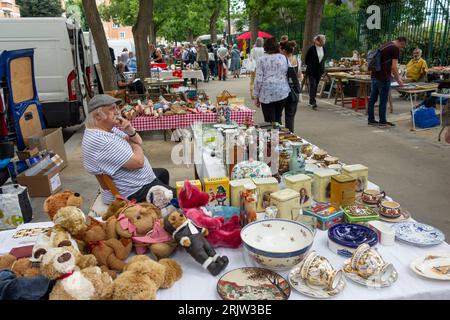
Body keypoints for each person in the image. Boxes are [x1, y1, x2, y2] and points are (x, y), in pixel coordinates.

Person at [81, 94, 175, 204]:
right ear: (98, 116)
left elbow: (138, 141)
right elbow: (138, 162)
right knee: (186, 198)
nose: (117, 112)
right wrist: (136, 146)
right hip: (133, 191)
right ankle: (165, 204)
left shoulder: (106, 130)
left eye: (116, 108)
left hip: (136, 181)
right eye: (112, 109)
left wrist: (129, 129)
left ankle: (162, 205)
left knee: (163, 173)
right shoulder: (100, 140)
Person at [367, 36, 406, 127]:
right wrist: (398, 79)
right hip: (383, 78)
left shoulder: (386, 44)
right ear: (401, 42)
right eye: (402, 46)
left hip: (375, 75)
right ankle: (382, 121)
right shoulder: (395, 49)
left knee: (372, 99)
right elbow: (393, 67)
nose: (401, 48)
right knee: (383, 100)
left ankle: (371, 119)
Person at [253, 37, 290, 124]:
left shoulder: (261, 60)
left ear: (265, 47)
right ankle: (278, 134)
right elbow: (285, 72)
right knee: (278, 117)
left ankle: (272, 135)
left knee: (269, 121)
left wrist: (256, 96)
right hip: (282, 91)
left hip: (266, 93)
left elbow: (258, 79)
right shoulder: (283, 58)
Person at [280, 40, 302, 133]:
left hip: (282, 90)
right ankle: (290, 135)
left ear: (284, 51)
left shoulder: (282, 61)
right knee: (290, 116)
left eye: (281, 50)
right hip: (294, 91)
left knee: (278, 115)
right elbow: (299, 75)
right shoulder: (297, 60)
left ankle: (279, 135)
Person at [304, 34, 327, 110]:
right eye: (323, 40)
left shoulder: (324, 48)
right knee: (313, 85)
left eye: (324, 40)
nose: (324, 41)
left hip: (319, 70)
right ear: (318, 41)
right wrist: (311, 65)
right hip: (311, 70)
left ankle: (311, 100)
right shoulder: (312, 49)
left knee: (316, 85)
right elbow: (306, 59)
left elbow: (323, 58)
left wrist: (322, 68)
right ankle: (313, 102)